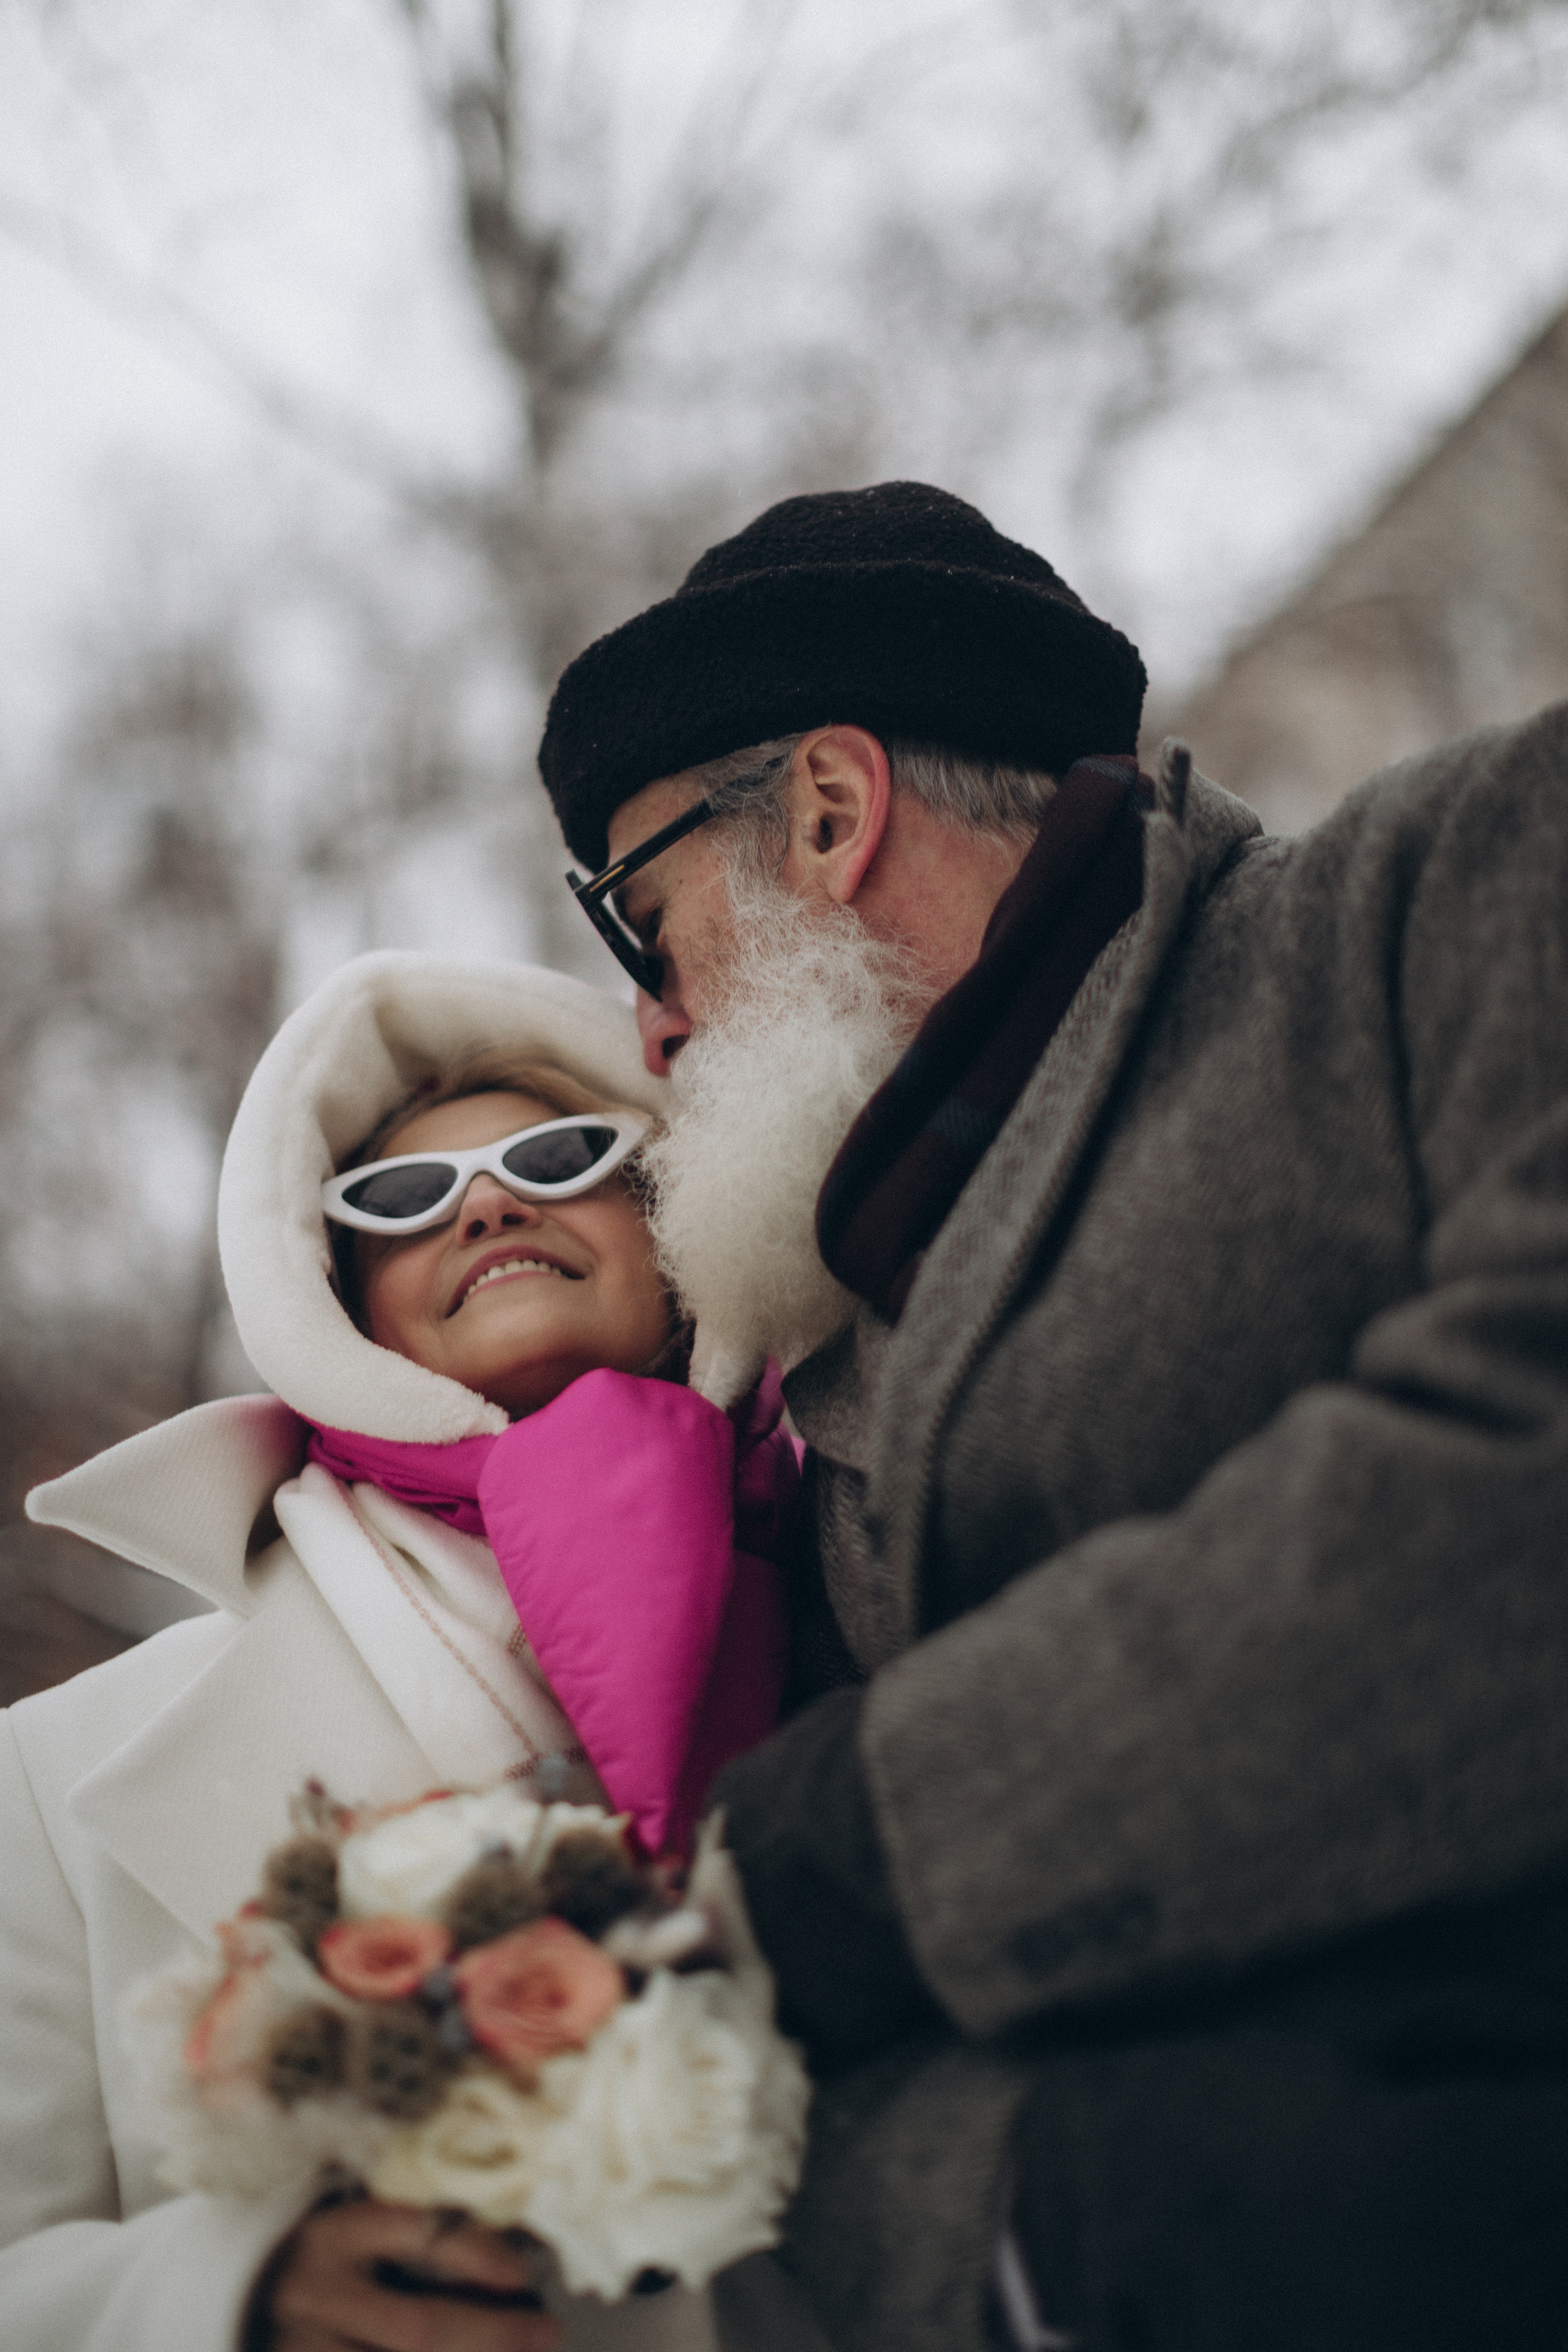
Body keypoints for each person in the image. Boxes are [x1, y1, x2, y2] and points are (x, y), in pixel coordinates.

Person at [535, 480, 1568, 2351]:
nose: (652, 1032)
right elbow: (776, 2107)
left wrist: (878, 1845)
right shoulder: (812, 1391)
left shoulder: (1453, 888)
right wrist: (1050, 2218)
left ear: (832, 816)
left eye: (644, 921)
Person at [0, 949, 797, 2352]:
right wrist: (222, 2292)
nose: (489, 1200)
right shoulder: (46, 1775)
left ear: (673, 1219)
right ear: (339, 1299)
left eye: (559, 1157)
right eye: (400, 1197)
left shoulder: (894, 1591)